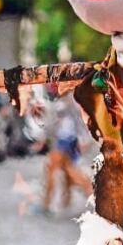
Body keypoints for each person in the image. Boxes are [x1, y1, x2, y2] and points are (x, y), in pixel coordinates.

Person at [37, 86, 92, 216]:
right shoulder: (67, 99)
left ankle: (46, 205)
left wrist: (83, 139)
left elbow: (77, 120)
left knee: (53, 169)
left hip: (66, 140)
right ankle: (68, 201)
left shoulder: (69, 100)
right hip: (68, 140)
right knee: (69, 172)